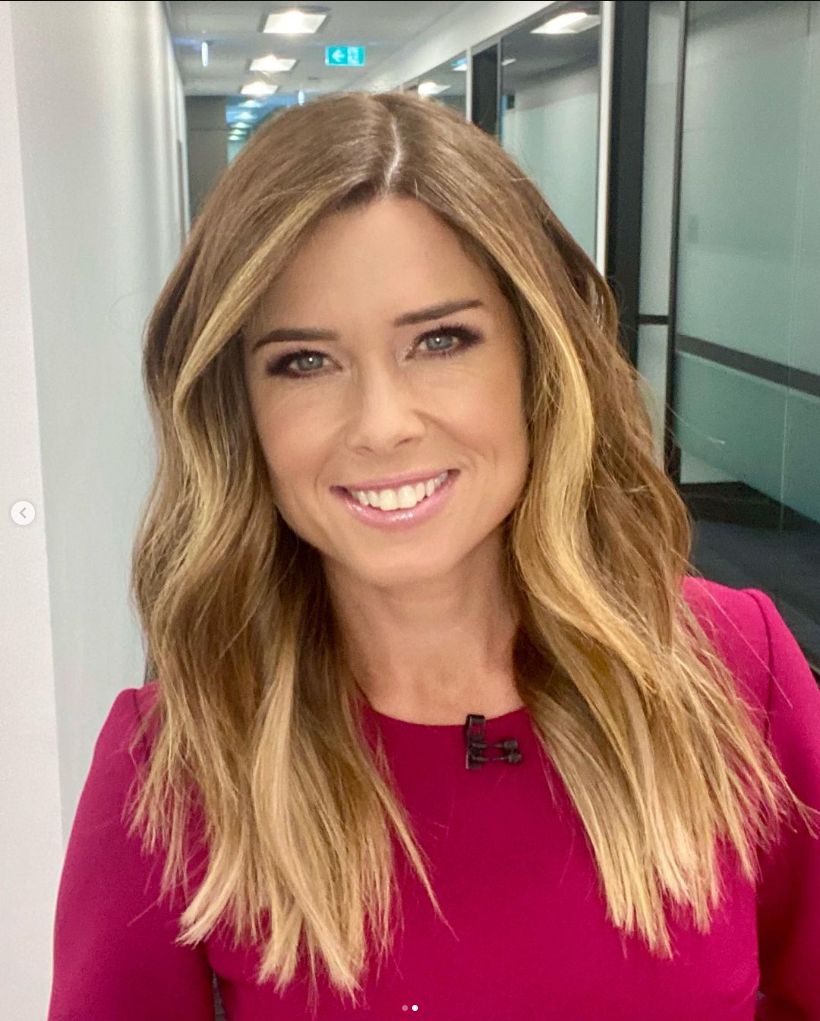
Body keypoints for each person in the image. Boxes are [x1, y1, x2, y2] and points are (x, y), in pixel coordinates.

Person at [48, 91, 820, 1020]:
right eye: (304, 361)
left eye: (441, 340)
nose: (382, 424)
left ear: (538, 359)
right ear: (238, 410)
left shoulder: (732, 671)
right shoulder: (172, 770)